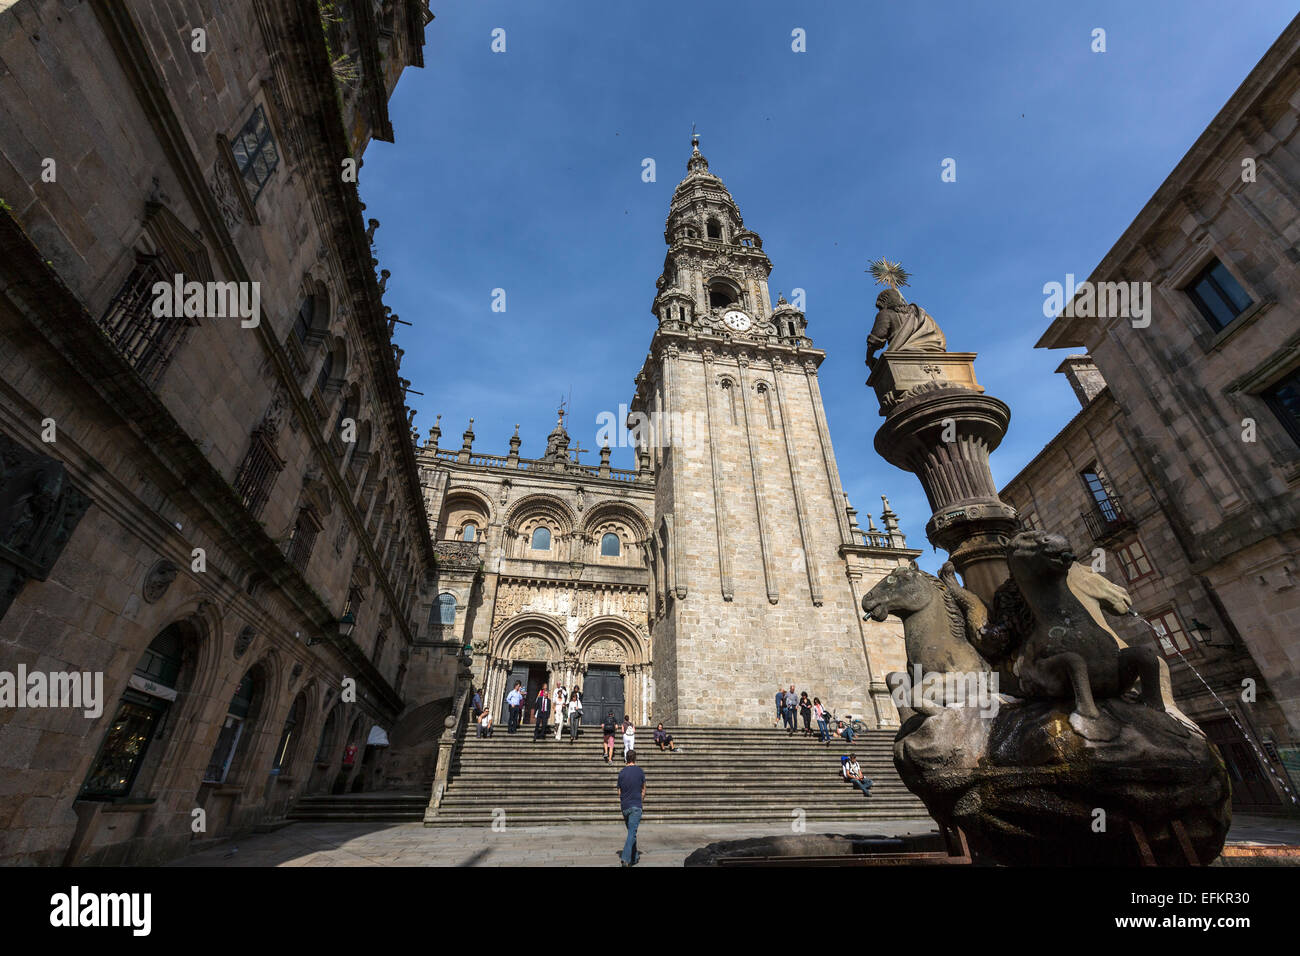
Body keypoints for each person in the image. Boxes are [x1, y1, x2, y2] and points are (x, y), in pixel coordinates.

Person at [616, 749, 646, 866]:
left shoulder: (621, 772)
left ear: (626, 759)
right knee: (632, 833)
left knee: (631, 832)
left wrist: (624, 800)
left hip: (625, 806)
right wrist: (641, 799)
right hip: (636, 805)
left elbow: (619, 792)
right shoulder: (640, 771)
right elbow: (643, 789)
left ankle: (635, 856)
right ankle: (625, 858)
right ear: (635, 758)